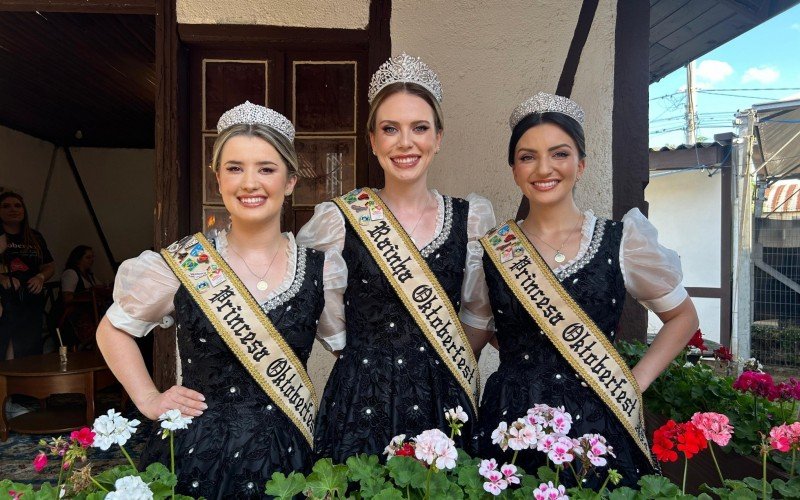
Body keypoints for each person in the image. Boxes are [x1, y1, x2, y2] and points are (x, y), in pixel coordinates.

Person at [96, 102, 327, 499]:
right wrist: (149, 398)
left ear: (290, 180)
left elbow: (356, 347)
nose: (249, 183)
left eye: (266, 169)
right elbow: (112, 330)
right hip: (199, 455)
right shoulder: (182, 264)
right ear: (217, 178)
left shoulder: (323, 268)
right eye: (235, 168)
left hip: (288, 457)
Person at [474, 93, 699, 488]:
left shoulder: (622, 240)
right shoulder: (494, 250)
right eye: (527, 156)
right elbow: (479, 329)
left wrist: (636, 380)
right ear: (513, 168)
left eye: (559, 154)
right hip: (512, 420)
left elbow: (683, 317)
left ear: (581, 164)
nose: (544, 168)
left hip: (598, 416)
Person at [297, 53, 496, 463]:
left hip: (445, 395)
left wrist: (445, 365)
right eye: (390, 129)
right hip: (360, 399)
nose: (405, 142)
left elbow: (479, 312)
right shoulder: (338, 221)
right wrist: (369, 361)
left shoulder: (471, 219)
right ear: (373, 141)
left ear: (438, 138)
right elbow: (323, 313)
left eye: (419, 128)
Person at [0, 191, 55, 359]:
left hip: (31, 299)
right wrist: (1, 278)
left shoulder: (35, 236)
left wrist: (40, 277)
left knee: (29, 348)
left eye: (18, 205)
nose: (13, 209)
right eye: (6, 206)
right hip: (5, 300)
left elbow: (50, 265)